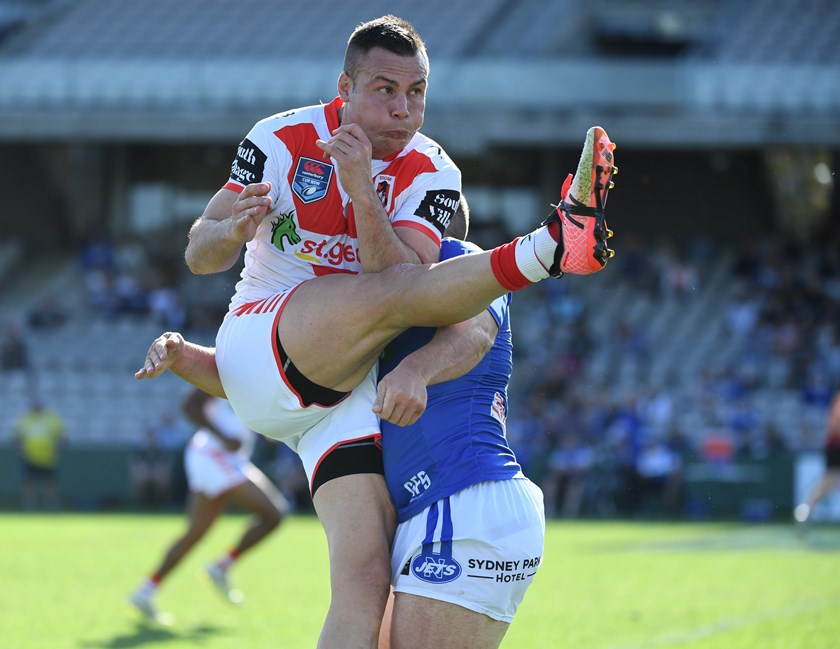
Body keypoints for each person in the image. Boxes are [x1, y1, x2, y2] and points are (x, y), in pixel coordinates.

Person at [157, 14, 616, 645]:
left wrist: (361, 193)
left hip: (342, 399)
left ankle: (555, 246)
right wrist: (232, 230)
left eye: (417, 93)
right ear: (344, 87)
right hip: (265, 342)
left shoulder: (433, 171)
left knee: (366, 580)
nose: (404, 109)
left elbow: (408, 285)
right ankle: (550, 248)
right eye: (385, 90)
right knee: (390, 292)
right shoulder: (282, 137)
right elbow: (198, 254)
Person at [375, 230, 544, 649]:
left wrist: (415, 371)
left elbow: (476, 334)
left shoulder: (458, 255)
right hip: (439, 505)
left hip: (461, 500)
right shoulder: (392, 284)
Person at [128, 387, 289, 624]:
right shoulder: (226, 369)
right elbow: (189, 405)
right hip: (214, 454)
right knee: (273, 513)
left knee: (196, 531)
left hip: (227, 457)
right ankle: (222, 566)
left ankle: (145, 592)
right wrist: (223, 436)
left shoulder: (263, 378)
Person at [794, 390, 840, 528]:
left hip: (834, 445)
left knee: (828, 482)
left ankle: (805, 509)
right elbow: (836, 425)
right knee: (828, 481)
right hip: (836, 446)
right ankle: (806, 509)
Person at [14, 397, 65, 511]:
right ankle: (29, 504)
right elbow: (18, 436)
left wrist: (56, 448)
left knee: (50, 482)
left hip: (48, 457)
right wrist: (22, 449)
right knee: (29, 482)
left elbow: (60, 436)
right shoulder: (25, 419)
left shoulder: (51, 419)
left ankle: (51, 504)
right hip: (30, 457)